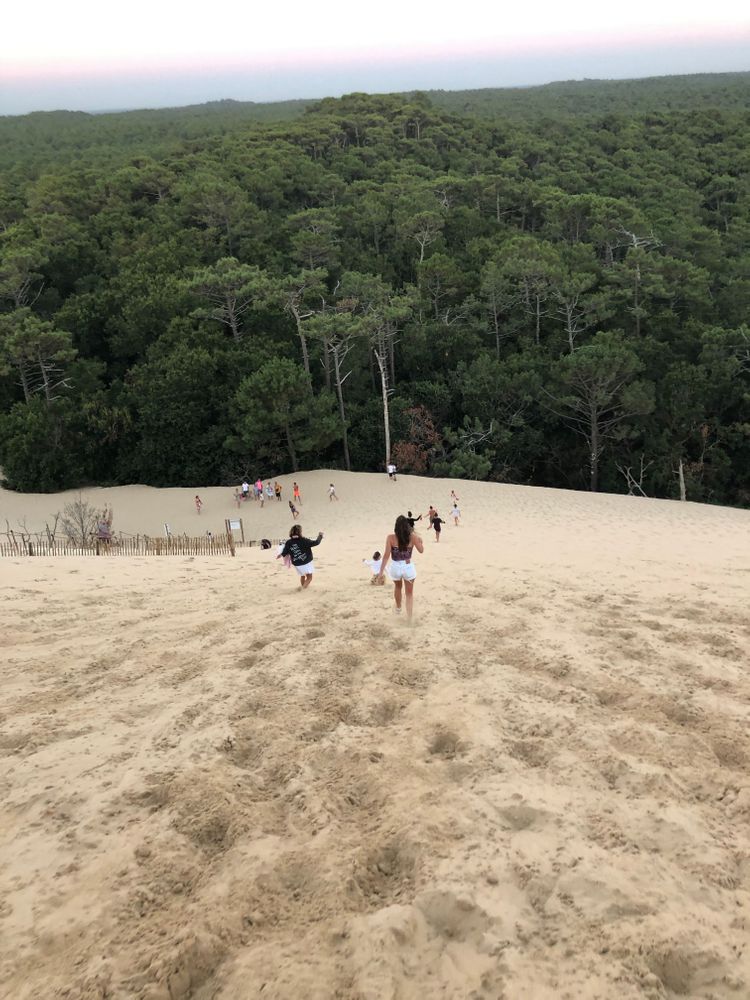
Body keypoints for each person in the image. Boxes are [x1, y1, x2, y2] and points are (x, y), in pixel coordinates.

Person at [377, 515, 424, 619]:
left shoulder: (390, 538)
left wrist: (380, 573)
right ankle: (409, 618)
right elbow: (421, 550)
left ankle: (398, 608)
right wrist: (420, 541)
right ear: (407, 526)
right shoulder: (413, 537)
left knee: (398, 587)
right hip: (408, 568)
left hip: (395, 567)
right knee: (409, 594)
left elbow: (386, 556)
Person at [278, 524, 324, 589]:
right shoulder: (304, 540)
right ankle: (303, 589)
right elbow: (316, 542)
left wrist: (280, 555)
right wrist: (320, 536)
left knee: (302, 576)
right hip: (306, 562)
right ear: (300, 532)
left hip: (296, 563)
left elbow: (285, 552)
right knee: (309, 577)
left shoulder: (289, 542)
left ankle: (303, 587)